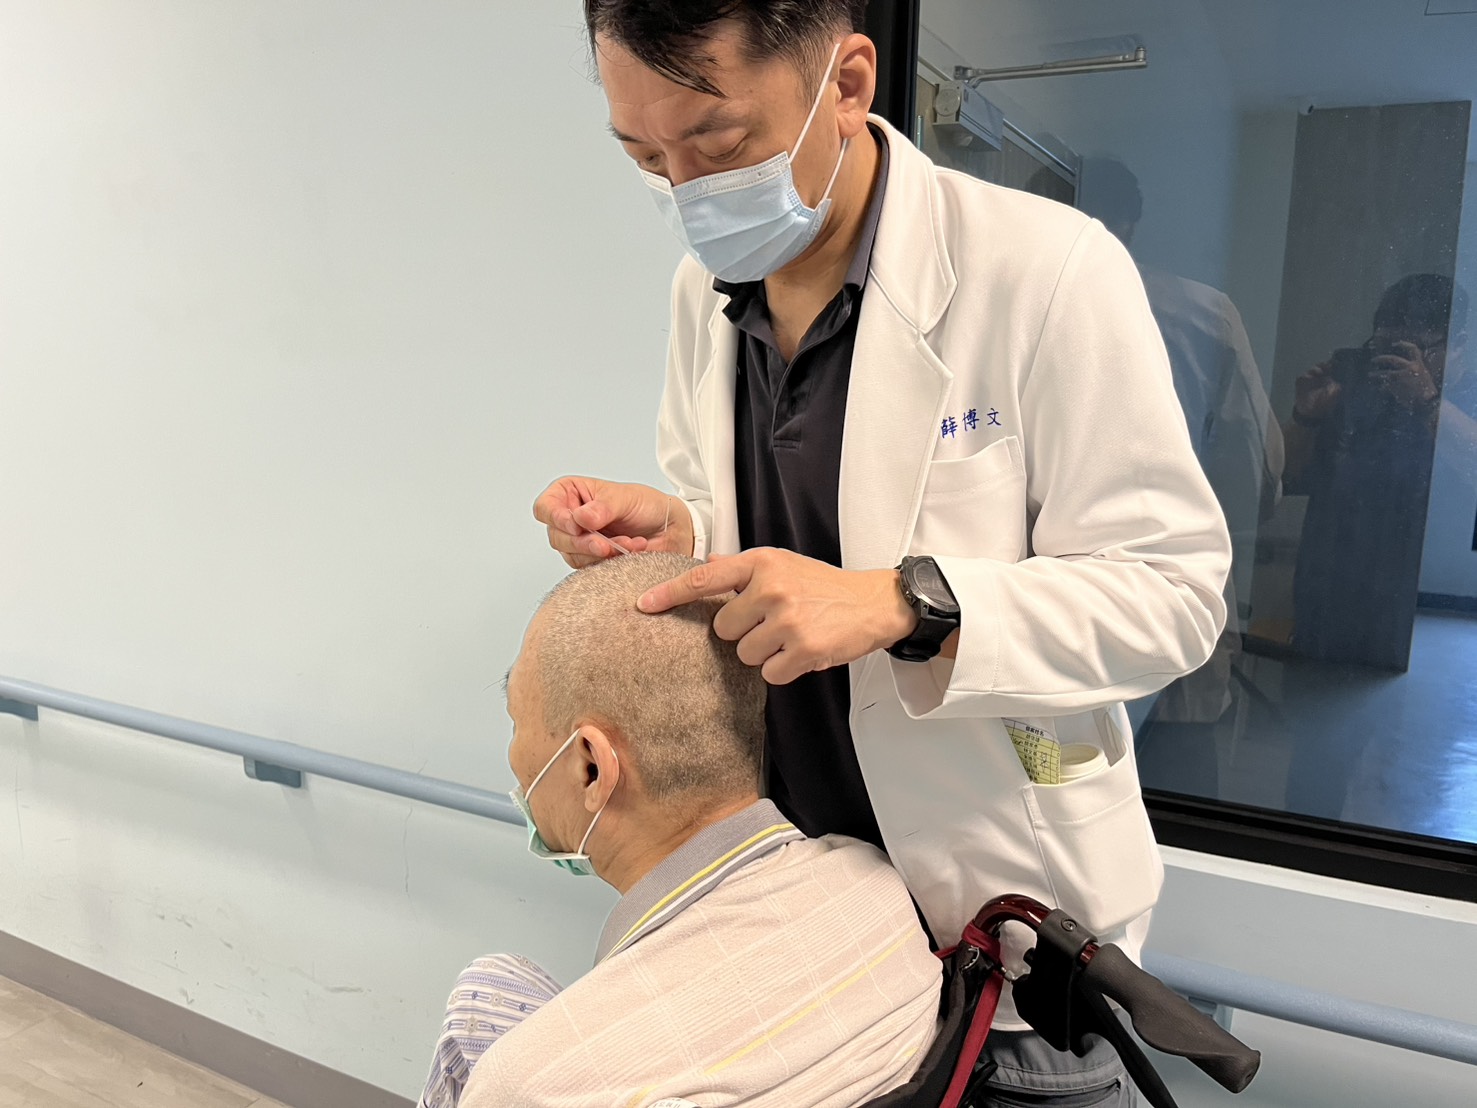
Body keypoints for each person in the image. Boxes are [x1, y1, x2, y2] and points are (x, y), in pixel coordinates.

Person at [534, 6, 1231, 1103]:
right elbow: (762, 522)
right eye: (646, 158)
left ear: (848, 82)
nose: (686, 192)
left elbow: (1173, 594)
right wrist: (681, 532)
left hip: (1003, 937)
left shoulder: (1043, 271)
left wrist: (909, 605)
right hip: (805, 922)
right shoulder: (702, 300)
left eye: (717, 144)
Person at [419, 552, 942, 1108]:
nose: (513, 757)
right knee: (487, 989)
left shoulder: (531, 1085)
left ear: (592, 767)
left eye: (517, 723)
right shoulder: (875, 884)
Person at [1285, 273, 1468, 670]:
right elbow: (1286, 479)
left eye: (1411, 348)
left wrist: (1427, 401)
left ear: (1459, 346)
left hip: (1434, 617)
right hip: (1328, 605)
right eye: (1385, 346)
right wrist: (1307, 417)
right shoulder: (1359, 387)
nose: (1397, 362)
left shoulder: (1464, 398)